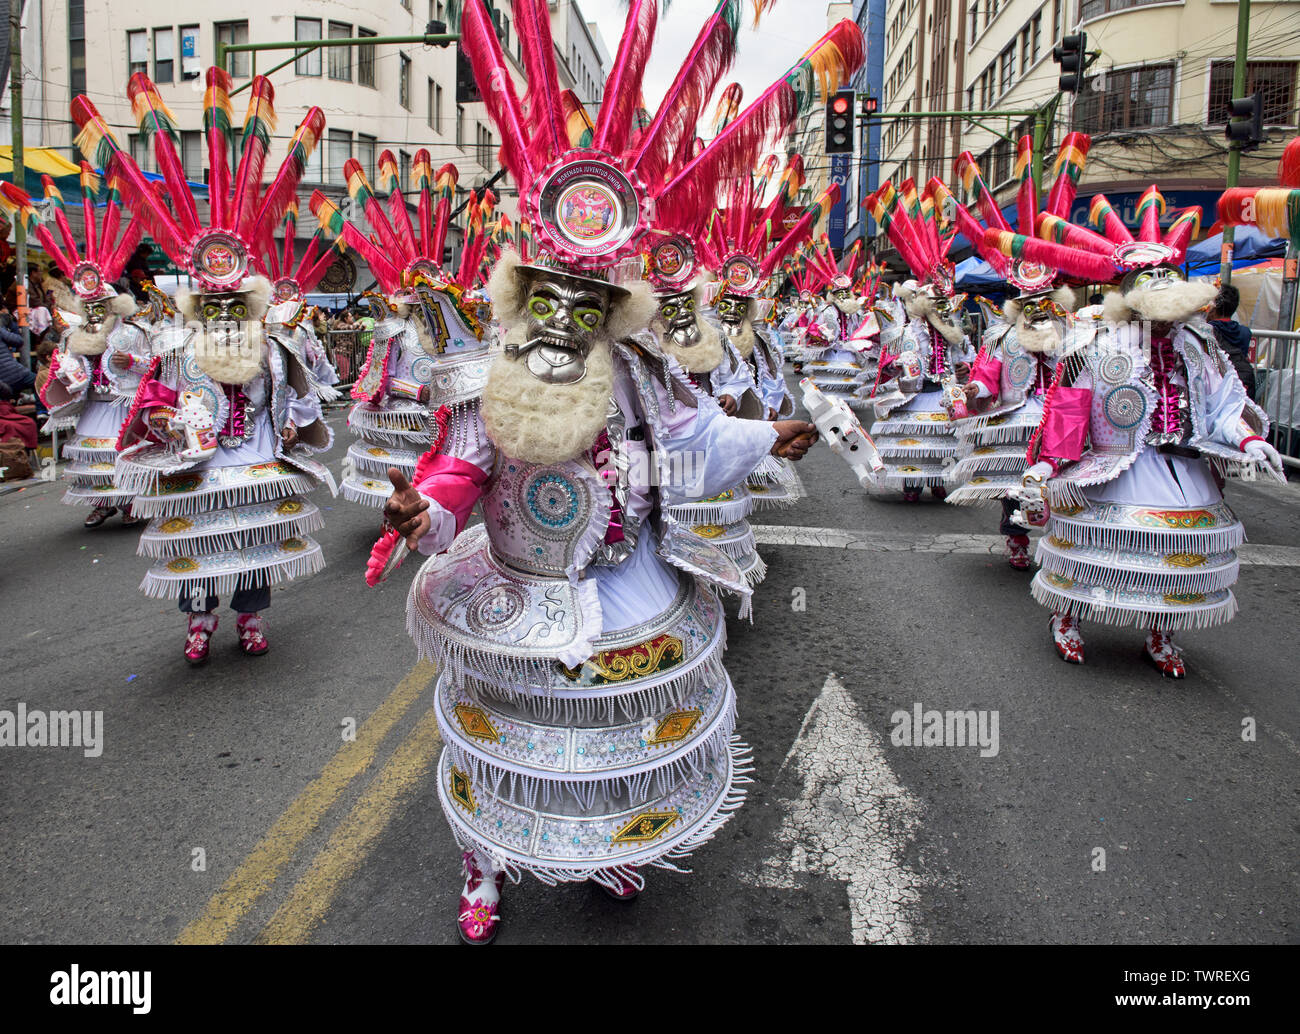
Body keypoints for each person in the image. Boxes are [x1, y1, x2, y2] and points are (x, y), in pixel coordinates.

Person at [383, 0, 856, 944]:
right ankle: (485, 865)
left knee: (608, 743)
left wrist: (767, 439)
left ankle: (607, 844)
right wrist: (421, 513)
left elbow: (696, 438)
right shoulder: (493, 372)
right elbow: (458, 467)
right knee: (501, 737)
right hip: (516, 590)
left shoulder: (642, 369)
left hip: (626, 581)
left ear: (613, 299)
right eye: (553, 296)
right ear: (526, 292)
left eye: (588, 298)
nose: (569, 314)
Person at [75, 69, 336, 663]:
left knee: (254, 545)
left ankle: (249, 621)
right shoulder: (174, 348)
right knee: (197, 549)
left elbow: (300, 397)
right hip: (198, 466)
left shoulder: (274, 348)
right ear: (197, 304)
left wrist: (293, 427)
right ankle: (198, 623)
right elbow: (146, 402)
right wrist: (166, 428)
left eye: (234, 305)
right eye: (213, 304)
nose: (223, 314)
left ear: (251, 304)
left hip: (257, 463)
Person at [1012, 185, 1283, 677]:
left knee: (1179, 553)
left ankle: (1161, 633)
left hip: (1183, 466)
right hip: (1113, 464)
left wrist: (1250, 439)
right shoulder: (1095, 343)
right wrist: (1048, 464)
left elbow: (1223, 402)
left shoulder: (1199, 343)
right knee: (1094, 548)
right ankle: (1066, 616)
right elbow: (1071, 409)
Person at [1206, 283, 1256, 401]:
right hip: (1244, 379)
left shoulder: (1208, 331)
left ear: (1213, 307)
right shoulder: (1245, 332)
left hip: (1220, 382)